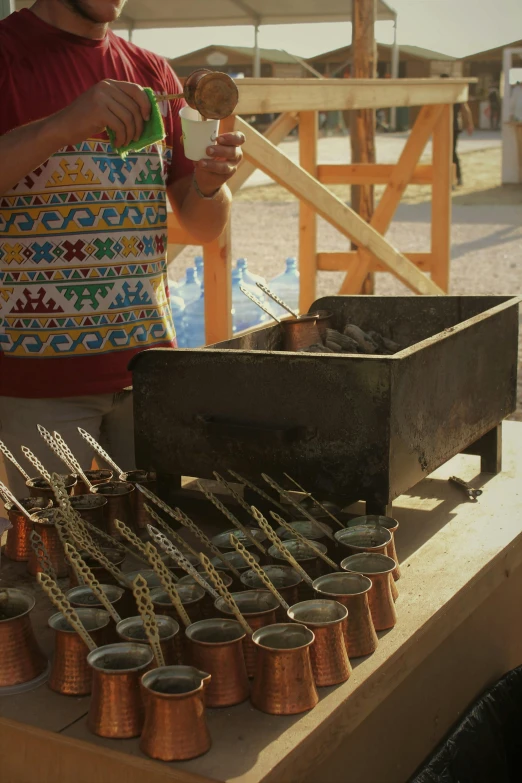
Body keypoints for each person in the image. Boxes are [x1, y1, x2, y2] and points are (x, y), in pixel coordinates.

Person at [0, 0, 245, 496]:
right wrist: (61, 125)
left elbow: (201, 226)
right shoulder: (6, 54)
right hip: (38, 382)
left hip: (151, 369)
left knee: (159, 549)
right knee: (56, 555)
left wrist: (210, 182)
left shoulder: (151, 70)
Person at [441, 73, 474, 187]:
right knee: (449, 153)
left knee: (450, 153)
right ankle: (454, 178)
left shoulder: (446, 94)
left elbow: (465, 109)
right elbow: (466, 110)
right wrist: (469, 124)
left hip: (451, 126)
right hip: (449, 127)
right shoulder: (453, 94)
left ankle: (454, 178)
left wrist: (469, 124)